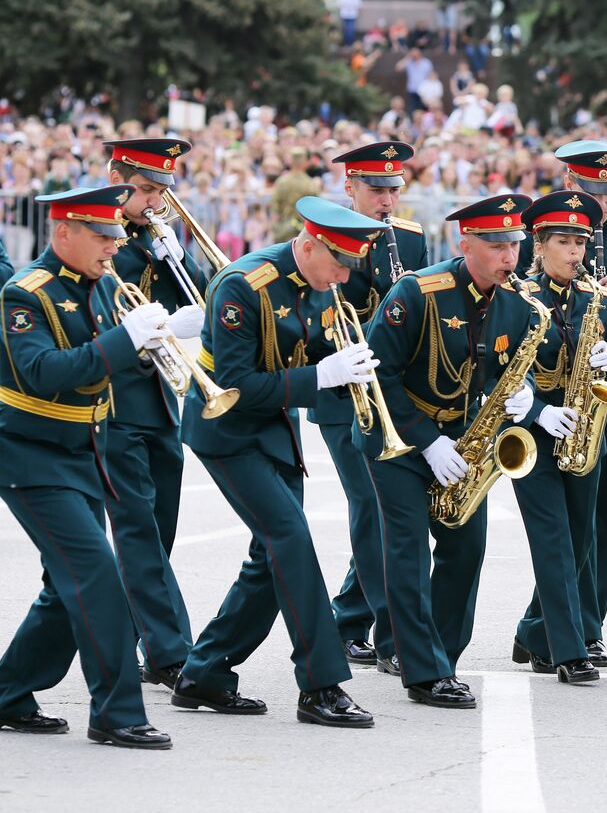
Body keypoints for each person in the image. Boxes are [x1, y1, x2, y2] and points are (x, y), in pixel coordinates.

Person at [174, 197, 383, 728]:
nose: (342, 277)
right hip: (226, 430)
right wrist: (324, 377)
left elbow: (306, 360)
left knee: (270, 558)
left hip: (273, 429)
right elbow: (236, 384)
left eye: (349, 267)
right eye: (337, 264)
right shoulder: (243, 286)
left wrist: (354, 376)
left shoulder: (323, 285)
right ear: (308, 245)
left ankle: (205, 673)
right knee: (290, 541)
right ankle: (321, 684)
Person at [0, 185, 174, 749]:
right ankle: (118, 711)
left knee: (65, 584)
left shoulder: (100, 285)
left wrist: (158, 341)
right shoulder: (24, 295)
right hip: (29, 454)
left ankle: (8, 692)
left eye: (116, 237)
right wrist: (127, 341)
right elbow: (46, 373)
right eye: (102, 237)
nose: (112, 249)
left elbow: (107, 362)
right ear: (64, 233)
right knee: (97, 572)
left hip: (84, 449)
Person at [355, 193, 545, 708]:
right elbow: (379, 375)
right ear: (466, 244)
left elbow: (502, 372)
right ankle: (423, 671)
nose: (511, 257)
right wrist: (429, 441)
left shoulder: (517, 304)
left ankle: (443, 655)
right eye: (498, 245)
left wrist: (520, 396)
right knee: (409, 552)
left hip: (462, 441)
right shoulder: (417, 292)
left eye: (516, 245)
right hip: (397, 437)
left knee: (467, 547)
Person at [515, 140, 607, 665]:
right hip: (553, 396)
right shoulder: (552, 231)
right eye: (592, 190)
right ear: (572, 184)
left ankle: (578, 624)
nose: (603, 201)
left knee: (602, 517)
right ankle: (562, 627)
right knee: (565, 521)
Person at [312, 141, 428, 675]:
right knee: (372, 505)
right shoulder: (327, 237)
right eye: (375, 190)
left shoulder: (410, 239)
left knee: (382, 508)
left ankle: (348, 617)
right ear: (349, 188)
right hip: (344, 390)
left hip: (393, 388)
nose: (385, 200)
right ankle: (391, 634)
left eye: (392, 190)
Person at [101, 139, 209, 693]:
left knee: (159, 528)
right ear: (116, 178)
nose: (154, 202)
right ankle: (171, 653)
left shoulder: (153, 238)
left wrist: (177, 256)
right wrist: (167, 321)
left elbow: (203, 295)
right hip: (115, 404)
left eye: (162, 191)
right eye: (144, 190)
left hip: (162, 400)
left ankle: (134, 637)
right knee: (139, 529)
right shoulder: (98, 237)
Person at [509, 191, 607, 683]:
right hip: (531, 432)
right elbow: (502, 367)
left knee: (579, 539)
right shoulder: (515, 296)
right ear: (539, 244)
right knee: (553, 537)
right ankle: (567, 647)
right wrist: (536, 409)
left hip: (580, 426)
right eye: (564, 242)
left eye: (581, 241)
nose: (576, 252)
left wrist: (606, 358)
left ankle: (534, 631)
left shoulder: (594, 296)